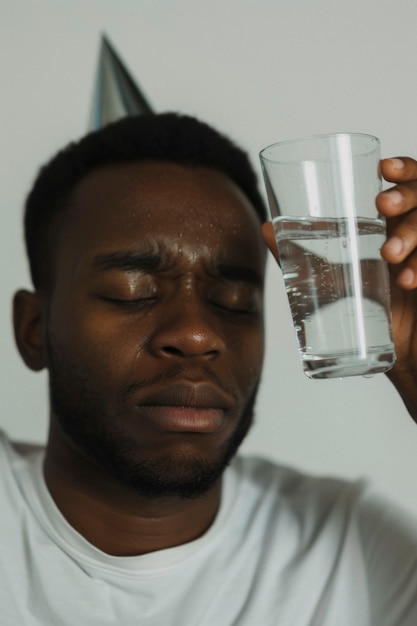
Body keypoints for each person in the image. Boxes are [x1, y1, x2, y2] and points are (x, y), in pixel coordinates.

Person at [3, 112, 417, 625]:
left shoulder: (349, 552)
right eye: (132, 292)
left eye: (234, 300)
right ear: (32, 330)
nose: (197, 335)